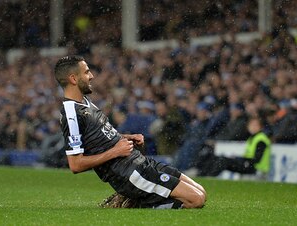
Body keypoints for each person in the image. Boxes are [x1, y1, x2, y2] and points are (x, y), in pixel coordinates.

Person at [54, 55, 206, 209]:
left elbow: (101, 137)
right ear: (73, 78)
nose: (91, 76)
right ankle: (133, 203)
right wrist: (115, 152)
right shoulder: (71, 113)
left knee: (202, 192)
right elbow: (76, 164)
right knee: (196, 200)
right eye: (86, 72)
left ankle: (134, 200)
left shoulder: (85, 103)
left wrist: (126, 138)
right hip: (128, 173)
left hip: (139, 161)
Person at [196, 116, 271, 178]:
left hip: (256, 169)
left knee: (223, 161)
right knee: (219, 158)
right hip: (250, 165)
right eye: (251, 125)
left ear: (261, 127)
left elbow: (256, 159)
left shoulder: (261, 139)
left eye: (255, 125)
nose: (252, 127)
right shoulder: (253, 138)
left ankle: (208, 177)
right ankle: (203, 175)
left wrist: (242, 159)